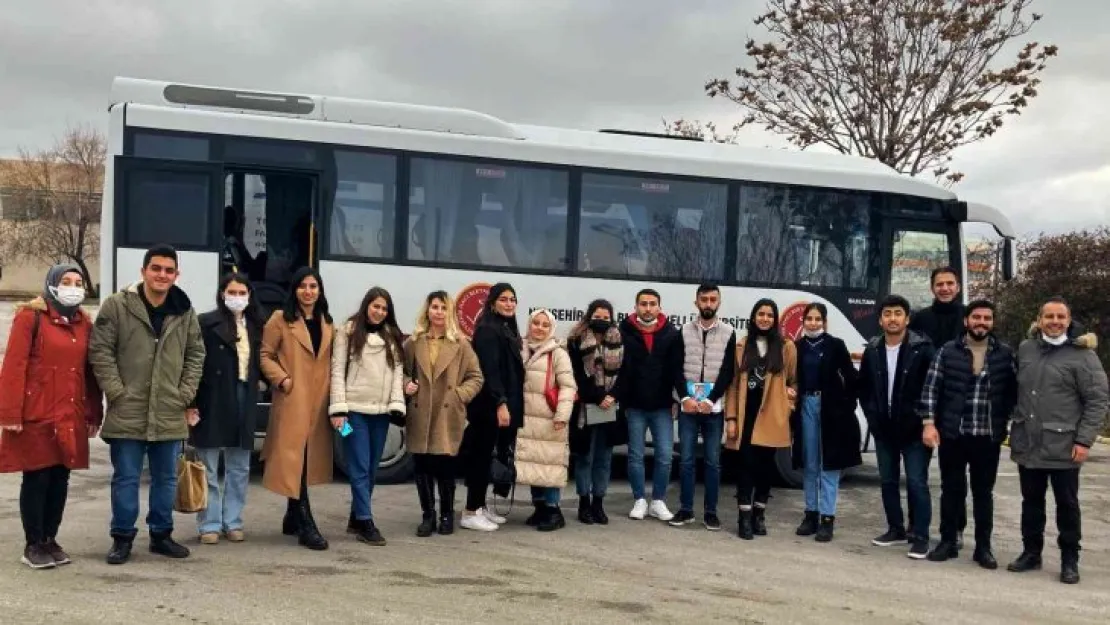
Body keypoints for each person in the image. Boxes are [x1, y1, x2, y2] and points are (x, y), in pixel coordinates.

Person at [88, 245, 206, 565]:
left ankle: (161, 535)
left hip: (169, 409)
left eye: (169, 270)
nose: (162, 275)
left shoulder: (184, 311)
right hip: (128, 408)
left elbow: (196, 354)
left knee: (166, 478)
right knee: (126, 477)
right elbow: (101, 351)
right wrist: (116, 391)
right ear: (143, 271)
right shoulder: (117, 306)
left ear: (176, 275)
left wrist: (184, 394)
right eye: (156, 268)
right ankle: (122, 537)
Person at [0, 265, 103, 569]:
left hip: (69, 414)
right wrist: (9, 413)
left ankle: (49, 538)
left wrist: (93, 411)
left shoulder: (84, 323)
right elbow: (13, 367)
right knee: (37, 476)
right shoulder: (30, 318)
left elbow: (90, 372)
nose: (73, 286)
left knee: (60, 477)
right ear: (51, 286)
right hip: (37, 413)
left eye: (78, 282)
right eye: (66, 282)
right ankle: (33, 542)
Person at [1006, 297, 1108, 584]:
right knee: (1031, 501)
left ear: (1068, 320)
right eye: (1048, 316)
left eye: (1060, 317)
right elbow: (1016, 389)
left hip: (1064, 446)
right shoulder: (1026, 349)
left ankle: (1069, 559)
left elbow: (1097, 400)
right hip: (1028, 442)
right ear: (1039, 320)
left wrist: (1085, 441)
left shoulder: (1083, 355)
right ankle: (1031, 552)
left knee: (1067, 504)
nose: (1054, 322)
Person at [920, 300, 1017, 568]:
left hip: (988, 436)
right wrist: (929, 423)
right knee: (951, 490)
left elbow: (1013, 392)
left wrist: (1008, 418)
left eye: (987, 318)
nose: (981, 322)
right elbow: (931, 389)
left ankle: (983, 548)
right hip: (954, 433)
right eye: (976, 317)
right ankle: (947, 542)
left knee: (983, 494)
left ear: (992, 322)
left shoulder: (1004, 354)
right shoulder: (948, 351)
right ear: (966, 321)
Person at [260, 267, 334, 551]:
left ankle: (292, 515)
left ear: (320, 290)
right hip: (292, 399)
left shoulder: (327, 322)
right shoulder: (280, 319)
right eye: (303, 286)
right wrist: (283, 379)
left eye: (313, 286)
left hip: (319, 400)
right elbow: (264, 354)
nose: (308, 291)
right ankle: (306, 523)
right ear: (294, 290)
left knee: (307, 457)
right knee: (296, 459)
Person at [858, 295, 935, 560]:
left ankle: (921, 537)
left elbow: (931, 388)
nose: (893, 318)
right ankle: (895, 529)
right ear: (880, 320)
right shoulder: (873, 349)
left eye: (898, 313)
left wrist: (926, 421)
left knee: (916, 483)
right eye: (888, 313)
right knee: (888, 481)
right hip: (884, 429)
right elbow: (865, 388)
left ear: (907, 319)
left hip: (914, 430)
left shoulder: (922, 348)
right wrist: (872, 417)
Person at [190, 273, 264, 545]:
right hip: (213, 395)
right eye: (232, 292)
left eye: (242, 292)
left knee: (240, 466)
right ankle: (209, 523)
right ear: (222, 294)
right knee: (208, 465)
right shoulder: (206, 323)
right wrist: (191, 402)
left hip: (245, 394)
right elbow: (193, 364)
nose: (237, 297)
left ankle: (233, 521)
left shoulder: (257, 325)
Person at [402, 291, 484, 537]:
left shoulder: (460, 344)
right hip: (420, 410)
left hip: (447, 412)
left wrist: (459, 395)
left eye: (443, 308)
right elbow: (401, 371)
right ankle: (428, 515)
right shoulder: (413, 342)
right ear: (427, 310)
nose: (438, 312)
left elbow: (476, 376)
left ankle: (447, 515)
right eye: (434, 307)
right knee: (422, 465)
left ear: (449, 313)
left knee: (446, 466)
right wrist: (407, 384)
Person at [330, 287, 407, 546]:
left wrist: (397, 404)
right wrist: (338, 410)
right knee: (359, 465)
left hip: (381, 414)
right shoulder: (348, 332)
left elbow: (397, 374)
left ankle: (355, 516)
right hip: (351, 415)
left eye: (384, 308)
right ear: (366, 306)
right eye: (376, 306)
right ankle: (365, 520)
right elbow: (337, 371)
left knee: (372, 468)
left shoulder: (392, 337)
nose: (379, 312)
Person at [725, 298, 797, 539]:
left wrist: (788, 405)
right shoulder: (742, 345)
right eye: (761, 314)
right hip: (747, 414)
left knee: (767, 468)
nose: (765, 318)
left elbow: (793, 381)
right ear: (754, 317)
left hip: (772, 417)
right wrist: (732, 418)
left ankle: (759, 515)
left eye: (769, 315)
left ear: (775, 319)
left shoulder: (786, 346)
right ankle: (743, 517)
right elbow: (733, 385)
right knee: (745, 466)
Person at [791, 303, 860, 543]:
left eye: (817, 319)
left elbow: (851, 378)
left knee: (828, 465)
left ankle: (827, 519)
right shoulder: (796, 347)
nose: (812, 323)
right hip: (806, 407)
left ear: (824, 321)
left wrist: (846, 406)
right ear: (803, 322)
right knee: (809, 464)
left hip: (830, 410)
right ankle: (811, 514)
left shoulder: (836, 345)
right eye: (808, 319)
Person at [460, 283, 525, 532]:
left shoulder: (504, 328)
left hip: (500, 404)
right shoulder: (488, 330)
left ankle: (480, 506)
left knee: (489, 457)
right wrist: (501, 402)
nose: (509, 304)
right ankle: (470, 511)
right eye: (503, 299)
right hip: (488, 407)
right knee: (480, 457)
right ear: (492, 303)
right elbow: (490, 370)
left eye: (512, 299)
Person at [671, 284, 736, 531]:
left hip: (713, 408)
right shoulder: (683, 331)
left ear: (718, 302)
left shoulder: (729, 333)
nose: (708, 304)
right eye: (704, 299)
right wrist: (685, 398)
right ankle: (686, 509)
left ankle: (711, 512)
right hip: (688, 406)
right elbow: (676, 368)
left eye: (712, 299)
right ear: (696, 302)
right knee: (686, 461)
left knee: (712, 462)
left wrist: (711, 400)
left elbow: (728, 371)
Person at [909, 266, 966, 543]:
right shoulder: (920, 319)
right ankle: (915, 525)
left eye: (949, 284)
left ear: (957, 287)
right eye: (939, 284)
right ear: (932, 288)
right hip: (925, 404)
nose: (945, 288)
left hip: (956, 405)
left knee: (953, 475)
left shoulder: (969, 317)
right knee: (916, 473)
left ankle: (954, 528)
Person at [618, 289, 682, 522]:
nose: (647, 308)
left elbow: (677, 370)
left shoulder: (671, 334)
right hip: (634, 406)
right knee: (635, 455)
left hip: (662, 407)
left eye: (652, 304)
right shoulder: (623, 331)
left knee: (665, 455)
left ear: (659, 307)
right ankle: (639, 500)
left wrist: (677, 399)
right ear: (636, 307)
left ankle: (657, 501)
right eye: (643, 304)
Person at [516, 309, 578, 531]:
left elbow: (568, 387)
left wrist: (562, 415)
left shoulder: (558, 353)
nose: (539, 328)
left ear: (551, 328)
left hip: (550, 419)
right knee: (533, 463)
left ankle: (554, 511)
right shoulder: (520, 347)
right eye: (536, 323)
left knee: (550, 465)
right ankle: (539, 508)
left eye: (544, 325)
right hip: (525, 418)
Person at [566, 299, 626, 525]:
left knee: (604, 459)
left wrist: (612, 396)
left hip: (610, 409)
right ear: (589, 316)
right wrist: (598, 396)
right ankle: (584, 503)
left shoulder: (621, 339)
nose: (601, 321)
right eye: (597, 317)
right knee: (585, 458)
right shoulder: (575, 341)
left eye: (605, 317)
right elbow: (576, 375)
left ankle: (598, 503)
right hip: (585, 408)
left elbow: (626, 373)